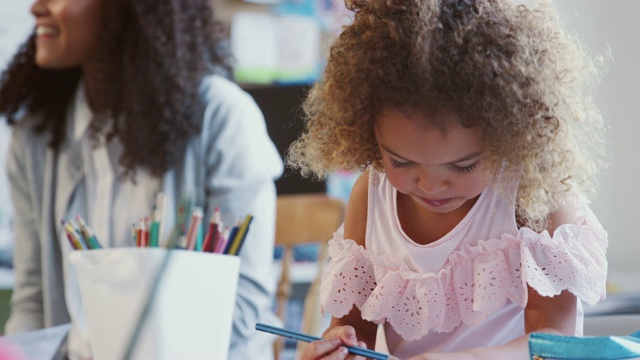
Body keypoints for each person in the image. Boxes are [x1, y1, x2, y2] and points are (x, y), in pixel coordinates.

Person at [286, 0, 610, 359]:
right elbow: (354, 328)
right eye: (401, 161)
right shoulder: (371, 195)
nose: (430, 185)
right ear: (368, 133)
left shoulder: (534, 195)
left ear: (509, 134)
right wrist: (339, 345)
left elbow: (555, 343)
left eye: (463, 166)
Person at [0, 0, 283, 359]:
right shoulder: (37, 137)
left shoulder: (222, 118)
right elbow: (32, 303)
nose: (36, 7)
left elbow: (242, 306)